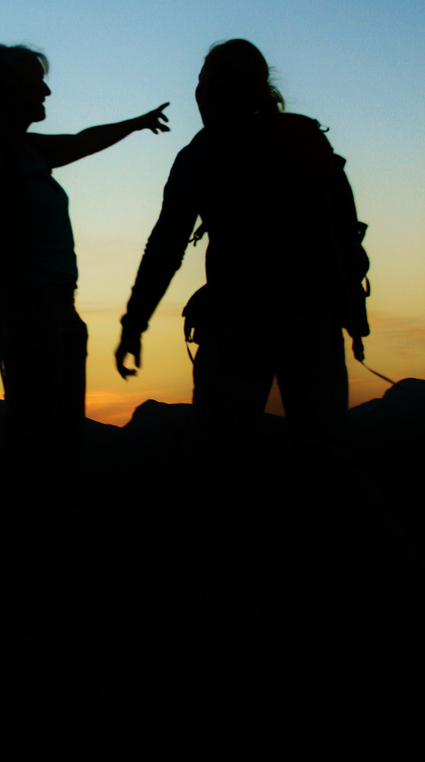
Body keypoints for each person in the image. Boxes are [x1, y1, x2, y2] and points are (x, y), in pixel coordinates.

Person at [115, 39, 368, 464]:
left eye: (200, 83)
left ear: (211, 90)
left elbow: (166, 246)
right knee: (325, 455)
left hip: (241, 318)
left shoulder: (205, 150)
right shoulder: (303, 138)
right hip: (317, 317)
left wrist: (134, 323)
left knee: (219, 456)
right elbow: (346, 228)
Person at [0, 43, 169, 553]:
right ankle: (32, 546)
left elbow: (84, 140)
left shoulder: (29, 150)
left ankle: (53, 535)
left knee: (61, 434)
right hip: (29, 307)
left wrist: (137, 123)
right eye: (36, 81)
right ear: (8, 91)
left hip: (58, 308)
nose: (48, 89)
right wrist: (11, 309)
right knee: (34, 431)